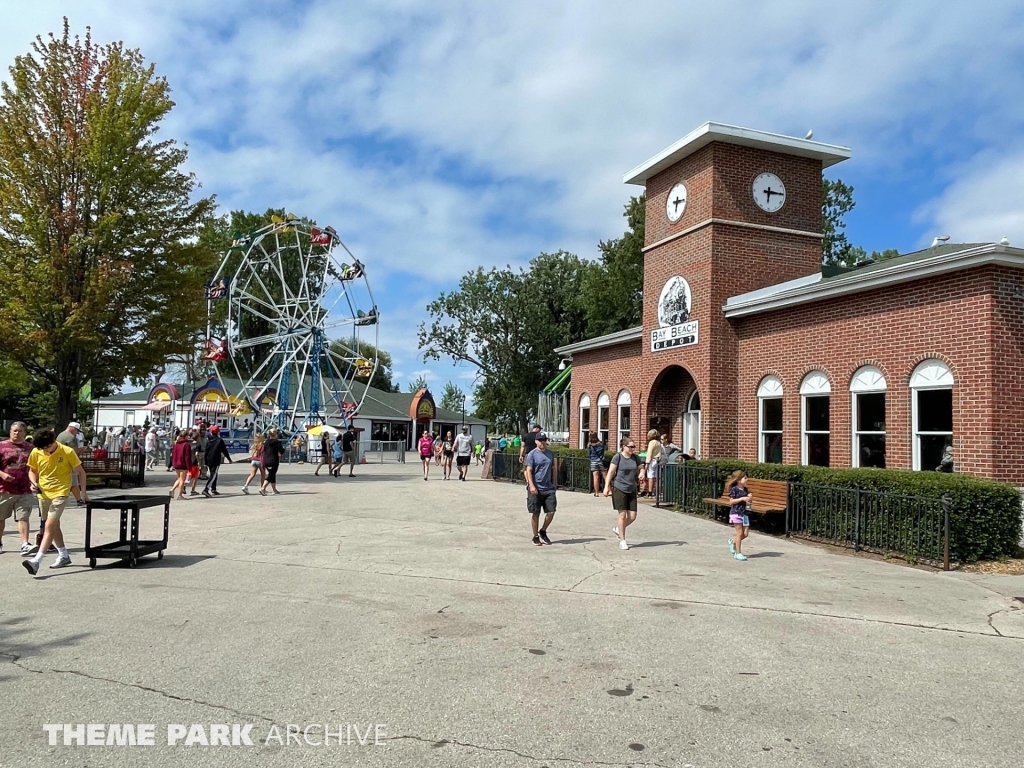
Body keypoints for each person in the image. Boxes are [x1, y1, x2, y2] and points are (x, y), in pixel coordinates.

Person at [23, 430, 88, 574]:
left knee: (49, 525)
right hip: (43, 494)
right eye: (43, 448)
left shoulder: (67, 451)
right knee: (54, 525)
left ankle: (36, 561)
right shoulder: (36, 452)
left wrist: (83, 493)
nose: (46, 449)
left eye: (48, 446)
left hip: (61, 493)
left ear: (54, 440)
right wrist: (33, 483)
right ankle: (64, 555)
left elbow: (81, 472)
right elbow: (32, 470)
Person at [0, 422, 36, 555]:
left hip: (24, 489)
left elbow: (35, 468)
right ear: (10, 432)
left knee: (23, 517)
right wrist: (2, 474)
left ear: (24, 433)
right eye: (14, 431)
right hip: (4, 490)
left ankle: (25, 544)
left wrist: (34, 482)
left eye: (20, 431)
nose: (17, 433)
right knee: (0, 518)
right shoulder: (2, 446)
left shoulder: (30, 448)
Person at [604, 437, 640, 550]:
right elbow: (610, 472)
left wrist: (642, 472)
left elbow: (641, 466)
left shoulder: (635, 458)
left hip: (631, 488)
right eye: (631, 447)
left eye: (634, 447)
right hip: (619, 488)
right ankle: (623, 540)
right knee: (622, 515)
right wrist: (606, 487)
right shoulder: (618, 457)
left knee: (633, 516)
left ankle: (618, 529)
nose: (633, 449)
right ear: (624, 447)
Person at [523, 431, 556, 546]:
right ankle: (535, 536)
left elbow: (553, 469)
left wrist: (554, 483)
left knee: (551, 512)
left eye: (544, 440)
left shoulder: (550, 454)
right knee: (535, 513)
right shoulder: (532, 454)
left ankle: (543, 531)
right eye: (541, 440)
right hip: (536, 487)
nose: (543, 442)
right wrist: (531, 485)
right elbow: (528, 471)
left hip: (549, 488)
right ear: (536, 441)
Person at [56, 421, 85, 506]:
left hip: (59, 461)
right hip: (69, 462)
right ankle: (79, 500)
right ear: (73, 429)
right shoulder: (71, 437)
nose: (77, 433)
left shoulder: (60, 435)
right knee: (74, 482)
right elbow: (74, 451)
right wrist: (82, 449)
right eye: (77, 431)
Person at [726, 470, 752, 561]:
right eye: (745, 478)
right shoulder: (734, 489)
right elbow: (731, 502)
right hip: (736, 513)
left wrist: (749, 499)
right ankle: (738, 553)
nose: (747, 479)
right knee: (739, 533)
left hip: (744, 513)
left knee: (745, 534)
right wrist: (742, 498)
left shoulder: (745, 489)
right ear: (739, 480)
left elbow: (748, 502)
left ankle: (733, 543)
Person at [202, 425, 234, 497]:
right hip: (215, 460)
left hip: (208, 459)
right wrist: (229, 459)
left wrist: (205, 461)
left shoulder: (208, 440)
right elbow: (225, 451)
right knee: (213, 475)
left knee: (213, 474)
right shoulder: (219, 441)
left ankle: (213, 488)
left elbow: (206, 451)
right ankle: (206, 489)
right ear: (218, 432)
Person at [170, 430, 195, 500]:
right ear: (186, 436)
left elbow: (173, 454)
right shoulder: (186, 444)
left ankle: (172, 489)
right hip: (183, 464)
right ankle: (179, 495)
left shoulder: (176, 443)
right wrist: (189, 466)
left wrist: (173, 463)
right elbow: (187, 457)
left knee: (179, 478)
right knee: (182, 480)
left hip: (176, 463)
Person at [259, 429, 284, 495]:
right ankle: (263, 488)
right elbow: (281, 451)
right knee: (271, 475)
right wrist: (283, 449)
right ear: (275, 434)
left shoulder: (266, 442)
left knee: (272, 474)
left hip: (266, 460)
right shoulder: (277, 442)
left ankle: (274, 490)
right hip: (273, 460)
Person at [643, 430, 662, 498]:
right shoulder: (658, 442)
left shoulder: (651, 442)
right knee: (658, 477)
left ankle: (650, 493)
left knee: (650, 476)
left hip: (652, 461)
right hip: (658, 461)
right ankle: (658, 493)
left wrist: (647, 463)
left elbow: (649, 453)